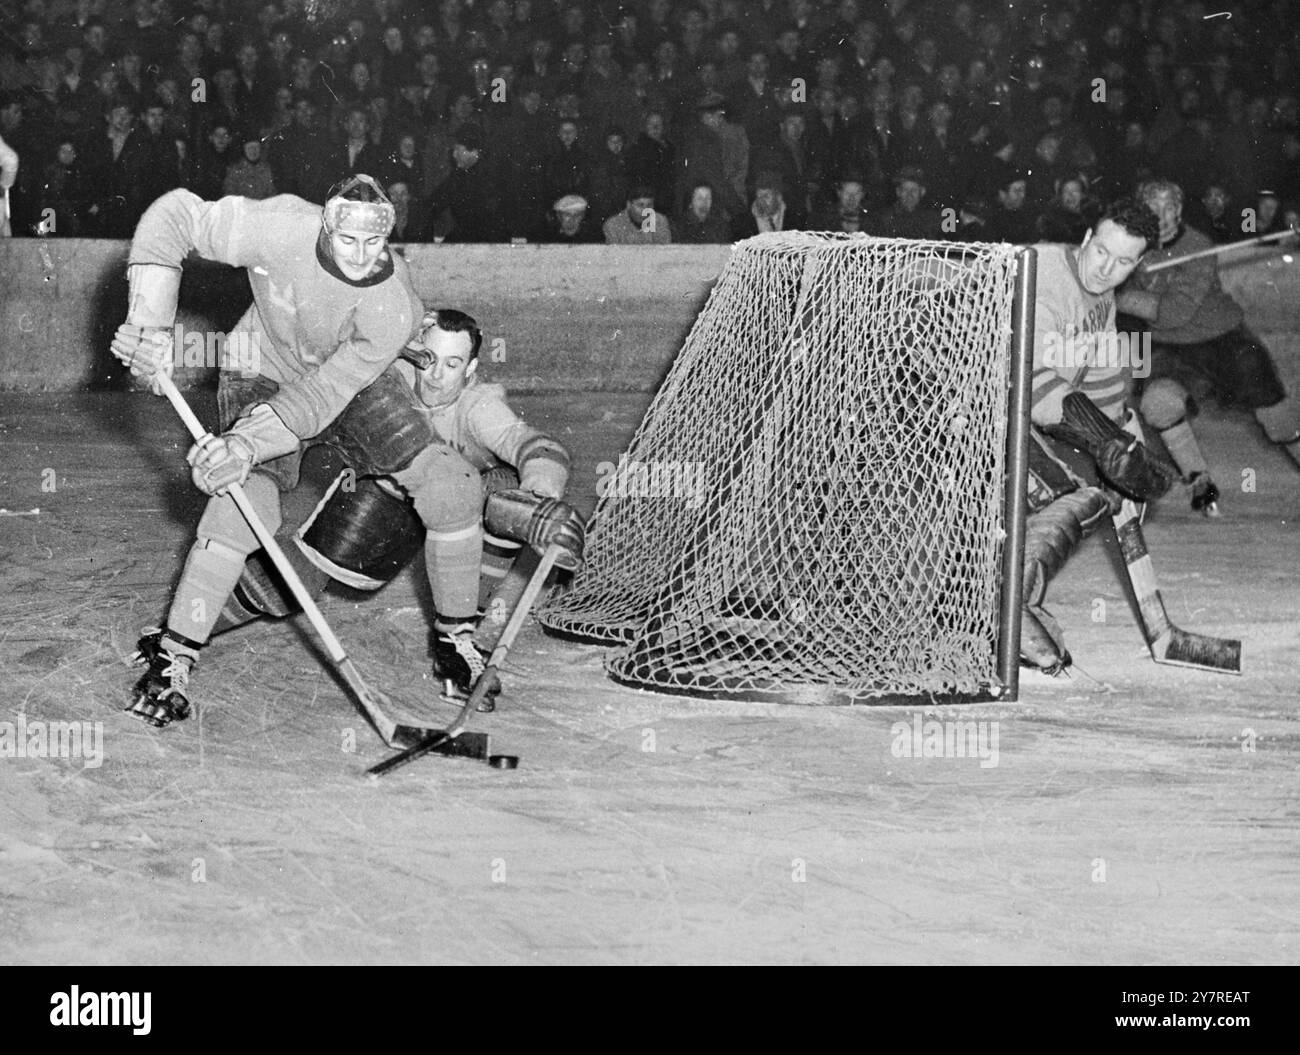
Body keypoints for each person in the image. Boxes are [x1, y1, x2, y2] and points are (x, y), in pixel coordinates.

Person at [106, 176, 532, 728]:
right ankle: (174, 656)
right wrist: (150, 322)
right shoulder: (279, 224)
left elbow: (324, 397)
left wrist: (244, 442)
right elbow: (175, 214)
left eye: (373, 244)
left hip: (347, 382)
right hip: (259, 365)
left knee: (450, 484)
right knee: (243, 503)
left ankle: (456, 642)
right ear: (324, 227)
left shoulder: (393, 306)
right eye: (346, 241)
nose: (360, 257)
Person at [204, 308, 586, 707]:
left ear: (471, 369)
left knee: (507, 497)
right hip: (389, 493)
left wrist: (540, 495)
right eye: (428, 359)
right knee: (295, 580)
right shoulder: (389, 383)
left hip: (458, 509)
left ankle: (455, 643)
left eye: (452, 364)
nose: (436, 376)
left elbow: (538, 446)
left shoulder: (480, 407)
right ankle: (186, 631)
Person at [1021, 196, 1175, 673]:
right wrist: (1103, 441)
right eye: (1102, 251)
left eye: (1124, 261)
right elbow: (1034, 378)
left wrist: (1127, 441)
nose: (1106, 268)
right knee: (1060, 499)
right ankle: (1006, 617)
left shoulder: (1101, 293)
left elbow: (1101, 376)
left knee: (1078, 499)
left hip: (1002, 411)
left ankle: (998, 609)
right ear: (1087, 238)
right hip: (959, 404)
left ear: (1138, 264)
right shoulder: (1046, 274)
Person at [1116, 179, 1300, 513]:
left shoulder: (1198, 246)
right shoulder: (1132, 246)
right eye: (1154, 207)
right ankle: (1199, 480)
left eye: (1170, 206)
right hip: (1171, 348)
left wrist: (1123, 297)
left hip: (1225, 341)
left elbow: (1173, 313)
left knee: (1279, 422)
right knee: (1157, 404)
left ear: (1181, 209)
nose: (1163, 215)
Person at [603, 183, 672, 244]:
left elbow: (664, 253)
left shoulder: (660, 221)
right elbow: (614, 256)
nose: (645, 210)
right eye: (640, 205)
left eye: (649, 205)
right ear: (629, 205)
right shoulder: (613, 224)